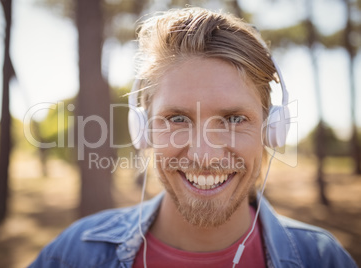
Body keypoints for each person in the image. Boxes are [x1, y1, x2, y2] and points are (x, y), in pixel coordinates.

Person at [30, 7, 357, 268]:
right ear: (143, 130)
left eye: (233, 119)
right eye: (176, 118)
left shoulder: (323, 258)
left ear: (271, 129)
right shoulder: (73, 254)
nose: (204, 154)